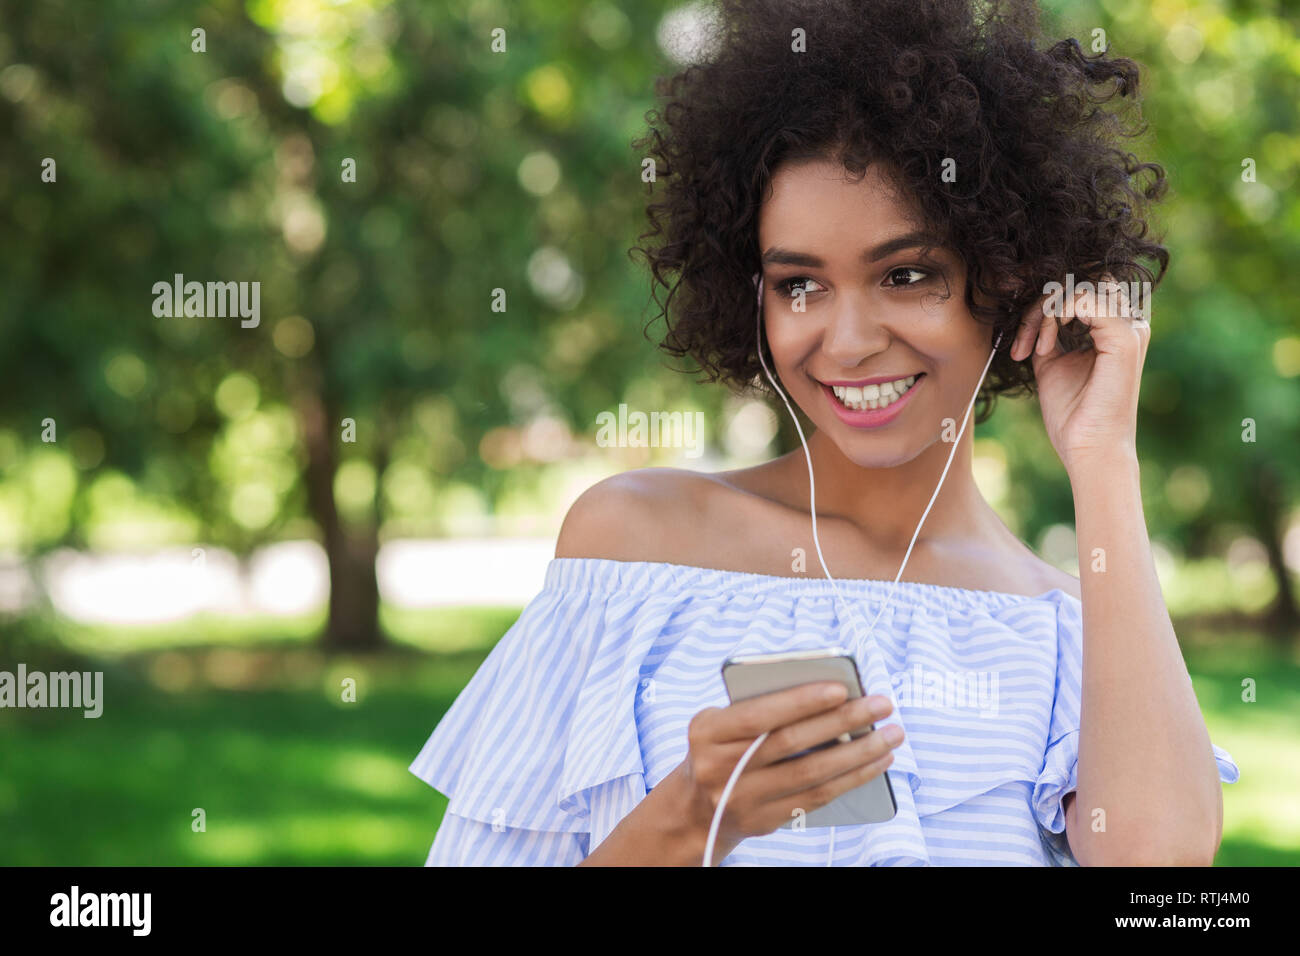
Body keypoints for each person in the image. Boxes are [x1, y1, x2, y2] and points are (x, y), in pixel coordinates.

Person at [410, 0, 1238, 866]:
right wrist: (694, 818)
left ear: (1006, 276)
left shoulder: (1071, 628)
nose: (846, 341)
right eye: (799, 285)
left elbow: (1165, 885)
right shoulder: (634, 550)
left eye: (906, 273)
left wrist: (1103, 461)